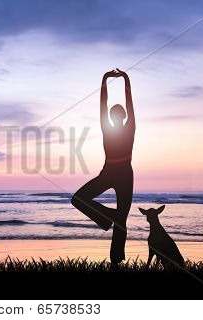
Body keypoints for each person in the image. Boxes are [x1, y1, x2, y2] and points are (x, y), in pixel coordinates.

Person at [71, 68, 135, 263]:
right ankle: (109, 216)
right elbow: (103, 104)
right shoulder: (108, 128)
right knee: (78, 199)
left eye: (118, 112)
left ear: (123, 116)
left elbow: (127, 103)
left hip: (122, 173)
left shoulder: (129, 127)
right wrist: (108, 79)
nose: (115, 114)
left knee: (121, 220)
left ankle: (116, 261)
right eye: (113, 113)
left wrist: (121, 79)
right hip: (110, 172)